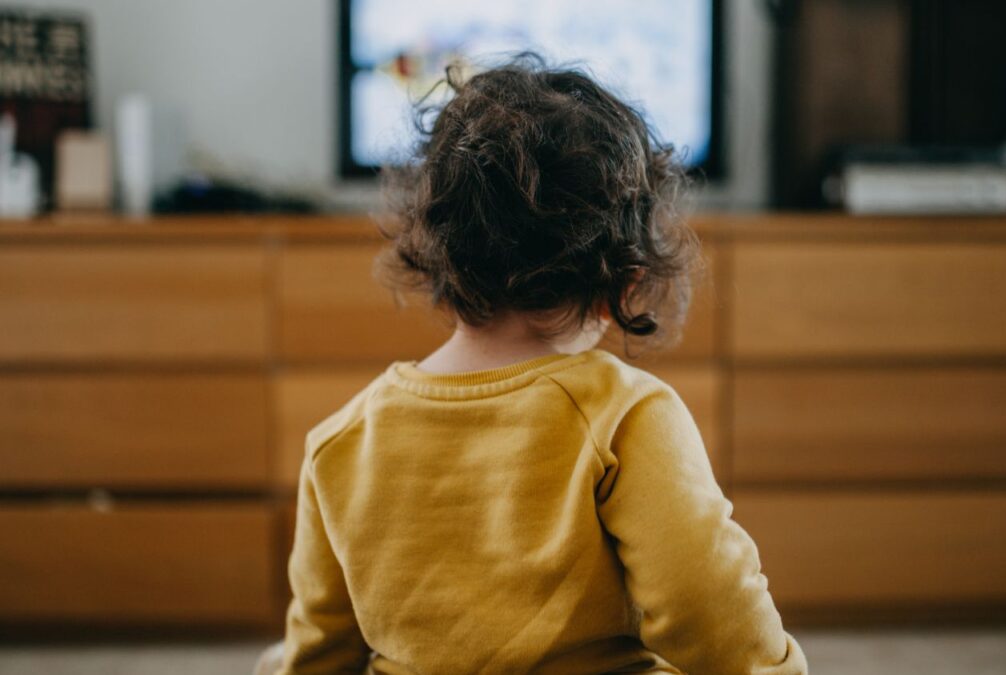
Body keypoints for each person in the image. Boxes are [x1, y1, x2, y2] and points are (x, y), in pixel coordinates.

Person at [270, 53, 807, 675]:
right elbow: (712, 613)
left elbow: (319, 654)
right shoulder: (625, 414)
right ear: (625, 282)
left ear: (438, 254)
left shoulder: (342, 439)